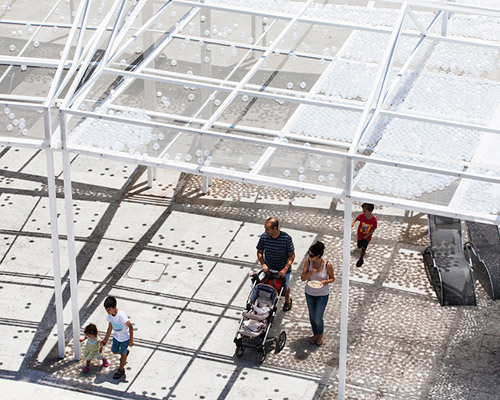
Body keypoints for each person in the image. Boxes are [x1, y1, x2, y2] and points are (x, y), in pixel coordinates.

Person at [256, 217, 295, 311]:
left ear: (275, 229)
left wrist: (285, 269)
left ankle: (287, 300)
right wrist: (263, 264)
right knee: (267, 286)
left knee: (284, 287)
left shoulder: (286, 238)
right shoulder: (264, 237)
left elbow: (291, 256)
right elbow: (260, 252)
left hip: (282, 269)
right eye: (265, 228)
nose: (265, 231)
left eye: (267, 229)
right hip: (269, 268)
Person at [300, 241, 335, 346]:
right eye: (309, 254)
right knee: (311, 315)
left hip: (322, 294)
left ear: (318, 255)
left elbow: (332, 278)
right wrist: (310, 273)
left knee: (317, 317)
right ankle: (315, 333)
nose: (309, 256)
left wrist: (325, 282)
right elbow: (303, 278)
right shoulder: (309, 262)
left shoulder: (327, 265)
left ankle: (320, 334)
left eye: (311, 255)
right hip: (310, 292)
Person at [101, 296, 134, 379]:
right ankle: (125, 353)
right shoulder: (110, 316)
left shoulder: (121, 315)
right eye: (106, 310)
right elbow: (110, 328)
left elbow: (130, 326)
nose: (108, 312)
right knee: (114, 351)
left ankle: (121, 369)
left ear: (114, 307)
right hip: (116, 338)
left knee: (122, 355)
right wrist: (105, 340)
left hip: (125, 339)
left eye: (109, 310)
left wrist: (131, 340)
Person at [351, 203, 377, 268]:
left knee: (364, 247)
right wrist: (353, 223)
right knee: (359, 245)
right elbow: (356, 218)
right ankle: (359, 246)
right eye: (363, 210)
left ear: (371, 211)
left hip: (367, 237)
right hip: (360, 234)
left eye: (365, 211)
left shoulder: (374, 220)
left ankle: (361, 258)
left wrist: (368, 235)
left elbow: (373, 228)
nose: (363, 212)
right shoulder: (362, 216)